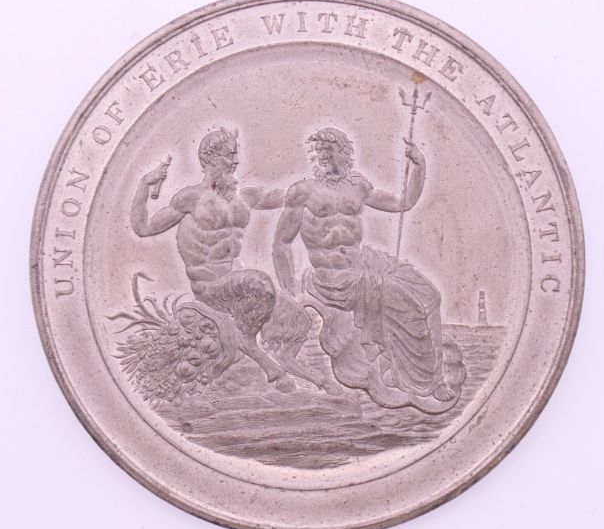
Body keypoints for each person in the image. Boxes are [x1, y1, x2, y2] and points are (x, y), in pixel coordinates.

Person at [272, 127, 464, 413]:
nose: (322, 155)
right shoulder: (302, 191)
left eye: (329, 149)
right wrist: (291, 292)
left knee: (430, 295)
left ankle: (431, 371)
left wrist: (419, 166)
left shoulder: (358, 186)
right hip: (334, 278)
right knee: (409, 306)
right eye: (318, 151)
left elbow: (402, 203)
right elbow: (281, 243)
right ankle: (425, 382)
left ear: (344, 152)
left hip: (366, 264)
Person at [131, 127, 329, 393]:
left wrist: (311, 186)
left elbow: (279, 196)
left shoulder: (244, 197)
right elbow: (143, 228)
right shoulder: (190, 199)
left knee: (298, 319)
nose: (236, 161)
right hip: (211, 289)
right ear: (210, 158)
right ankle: (250, 347)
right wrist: (144, 184)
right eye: (230, 155)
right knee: (260, 282)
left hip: (239, 287)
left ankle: (309, 375)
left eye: (236, 154)